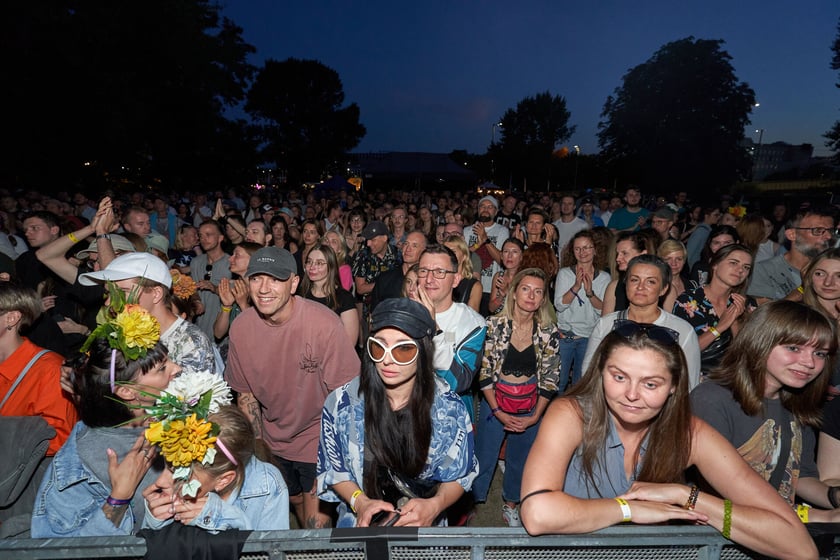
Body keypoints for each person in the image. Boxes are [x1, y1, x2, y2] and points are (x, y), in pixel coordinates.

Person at [519, 321, 818, 560]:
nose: (632, 394)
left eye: (651, 384)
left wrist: (686, 496)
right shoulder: (572, 414)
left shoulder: (690, 433)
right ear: (600, 373)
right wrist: (627, 509)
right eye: (619, 377)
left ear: (675, 385)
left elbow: (799, 547)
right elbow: (537, 514)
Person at [225, 247, 360, 529]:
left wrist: (337, 456)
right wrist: (259, 450)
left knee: (316, 527)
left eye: (275, 279)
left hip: (318, 437)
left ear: (294, 283)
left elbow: (346, 396)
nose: (264, 288)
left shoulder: (323, 324)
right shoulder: (241, 328)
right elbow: (246, 395)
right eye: (256, 278)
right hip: (273, 440)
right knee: (294, 500)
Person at [316, 298, 477, 527]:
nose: (387, 359)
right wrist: (360, 502)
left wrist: (435, 505)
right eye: (378, 346)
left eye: (403, 349)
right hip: (359, 525)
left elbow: (460, 474)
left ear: (423, 351)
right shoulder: (341, 404)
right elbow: (335, 469)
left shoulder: (448, 409)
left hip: (424, 527)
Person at [31, 295, 181, 536]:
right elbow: (61, 547)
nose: (177, 369)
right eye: (162, 368)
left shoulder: (176, 415)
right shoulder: (84, 458)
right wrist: (119, 498)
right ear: (126, 391)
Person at [691, 301, 840, 523]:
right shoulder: (711, 399)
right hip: (718, 529)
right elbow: (723, 491)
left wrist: (834, 497)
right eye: (793, 348)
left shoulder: (797, 405)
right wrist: (819, 516)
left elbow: (800, 477)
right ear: (760, 342)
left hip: (779, 527)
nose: (809, 362)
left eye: (819, 353)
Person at [472, 269, 560, 526]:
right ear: (514, 293)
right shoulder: (493, 325)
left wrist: (535, 417)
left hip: (530, 403)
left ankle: (511, 503)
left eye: (538, 291)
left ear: (543, 299)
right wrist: (497, 411)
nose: (531, 296)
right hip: (495, 401)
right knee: (484, 455)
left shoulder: (548, 331)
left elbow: (550, 378)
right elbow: (484, 373)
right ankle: (475, 502)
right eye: (525, 289)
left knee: (521, 458)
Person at [143, 396, 290, 532]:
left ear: (223, 480)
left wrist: (225, 517)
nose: (160, 482)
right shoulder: (177, 473)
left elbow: (269, 548)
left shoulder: (267, 485)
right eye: (166, 466)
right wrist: (154, 523)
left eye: (182, 476)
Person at [79, 252, 221, 376]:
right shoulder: (119, 330)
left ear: (156, 294)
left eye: (123, 292)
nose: (109, 302)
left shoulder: (190, 343)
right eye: (108, 293)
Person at [583, 255, 701, 389]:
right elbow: (588, 376)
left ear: (663, 289)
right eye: (634, 280)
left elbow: (689, 384)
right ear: (626, 284)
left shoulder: (682, 331)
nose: (640, 287)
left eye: (650, 282)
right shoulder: (605, 324)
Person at [417, 245, 486, 415]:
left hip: (450, 416)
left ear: (455, 280)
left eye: (439, 272)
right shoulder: (403, 315)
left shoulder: (472, 324)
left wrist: (434, 328)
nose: (429, 279)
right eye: (423, 271)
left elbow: (459, 382)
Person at [673, 244, 756, 377]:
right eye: (733, 263)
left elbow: (748, 354)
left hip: (734, 377)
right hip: (697, 376)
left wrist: (735, 322)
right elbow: (682, 351)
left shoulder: (747, 304)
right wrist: (720, 327)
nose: (740, 270)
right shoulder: (689, 301)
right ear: (715, 264)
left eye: (746, 267)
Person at [555, 231, 610, 387]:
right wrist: (576, 287)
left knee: (581, 385)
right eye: (577, 248)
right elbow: (559, 305)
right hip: (566, 335)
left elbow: (603, 311)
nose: (582, 252)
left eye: (586, 247)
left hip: (589, 337)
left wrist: (589, 292)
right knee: (559, 383)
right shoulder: (565, 274)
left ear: (595, 250)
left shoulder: (604, 278)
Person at [748, 207, 836, 305]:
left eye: (831, 231)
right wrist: (801, 290)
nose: (828, 236)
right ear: (792, 234)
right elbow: (761, 313)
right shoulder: (765, 270)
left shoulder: (834, 270)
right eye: (818, 230)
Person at [299, 243, 359, 345]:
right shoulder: (300, 294)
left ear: (331, 266)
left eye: (319, 263)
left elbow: (350, 344)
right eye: (309, 262)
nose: (312, 267)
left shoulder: (344, 298)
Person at [463, 196, 509, 316]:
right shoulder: (467, 231)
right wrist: (477, 244)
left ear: (496, 211)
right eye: (482, 206)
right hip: (469, 285)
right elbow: (463, 257)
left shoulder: (502, 231)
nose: (485, 209)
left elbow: (502, 260)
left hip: (491, 289)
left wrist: (485, 239)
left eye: (490, 207)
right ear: (478, 209)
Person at [801, 248, 840, 386]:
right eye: (820, 274)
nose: (828, 282)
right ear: (809, 277)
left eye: (839, 276)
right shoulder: (797, 316)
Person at [601, 231, 651, 316]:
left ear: (642, 254)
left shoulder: (657, 285)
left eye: (624, 253)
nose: (617, 258)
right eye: (618, 254)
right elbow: (605, 321)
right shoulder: (614, 286)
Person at [688, 225, 739, 289]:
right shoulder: (700, 267)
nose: (722, 247)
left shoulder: (741, 268)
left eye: (727, 243)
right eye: (716, 243)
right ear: (710, 245)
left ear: (737, 243)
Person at [443, 234, 481, 312]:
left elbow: (472, 317)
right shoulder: (438, 279)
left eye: (453, 252)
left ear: (464, 256)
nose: (449, 255)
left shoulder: (474, 286)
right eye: (445, 252)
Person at [488, 238, 524, 315]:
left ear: (521, 257)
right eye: (506, 251)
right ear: (501, 256)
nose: (509, 256)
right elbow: (491, 308)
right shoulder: (499, 276)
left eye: (515, 252)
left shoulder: (525, 278)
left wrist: (509, 292)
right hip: (499, 319)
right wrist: (501, 295)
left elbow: (525, 307)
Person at [656, 239, 689, 313]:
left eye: (678, 259)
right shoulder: (655, 287)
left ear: (684, 261)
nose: (674, 263)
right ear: (661, 261)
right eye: (668, 259)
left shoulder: (692, 285)